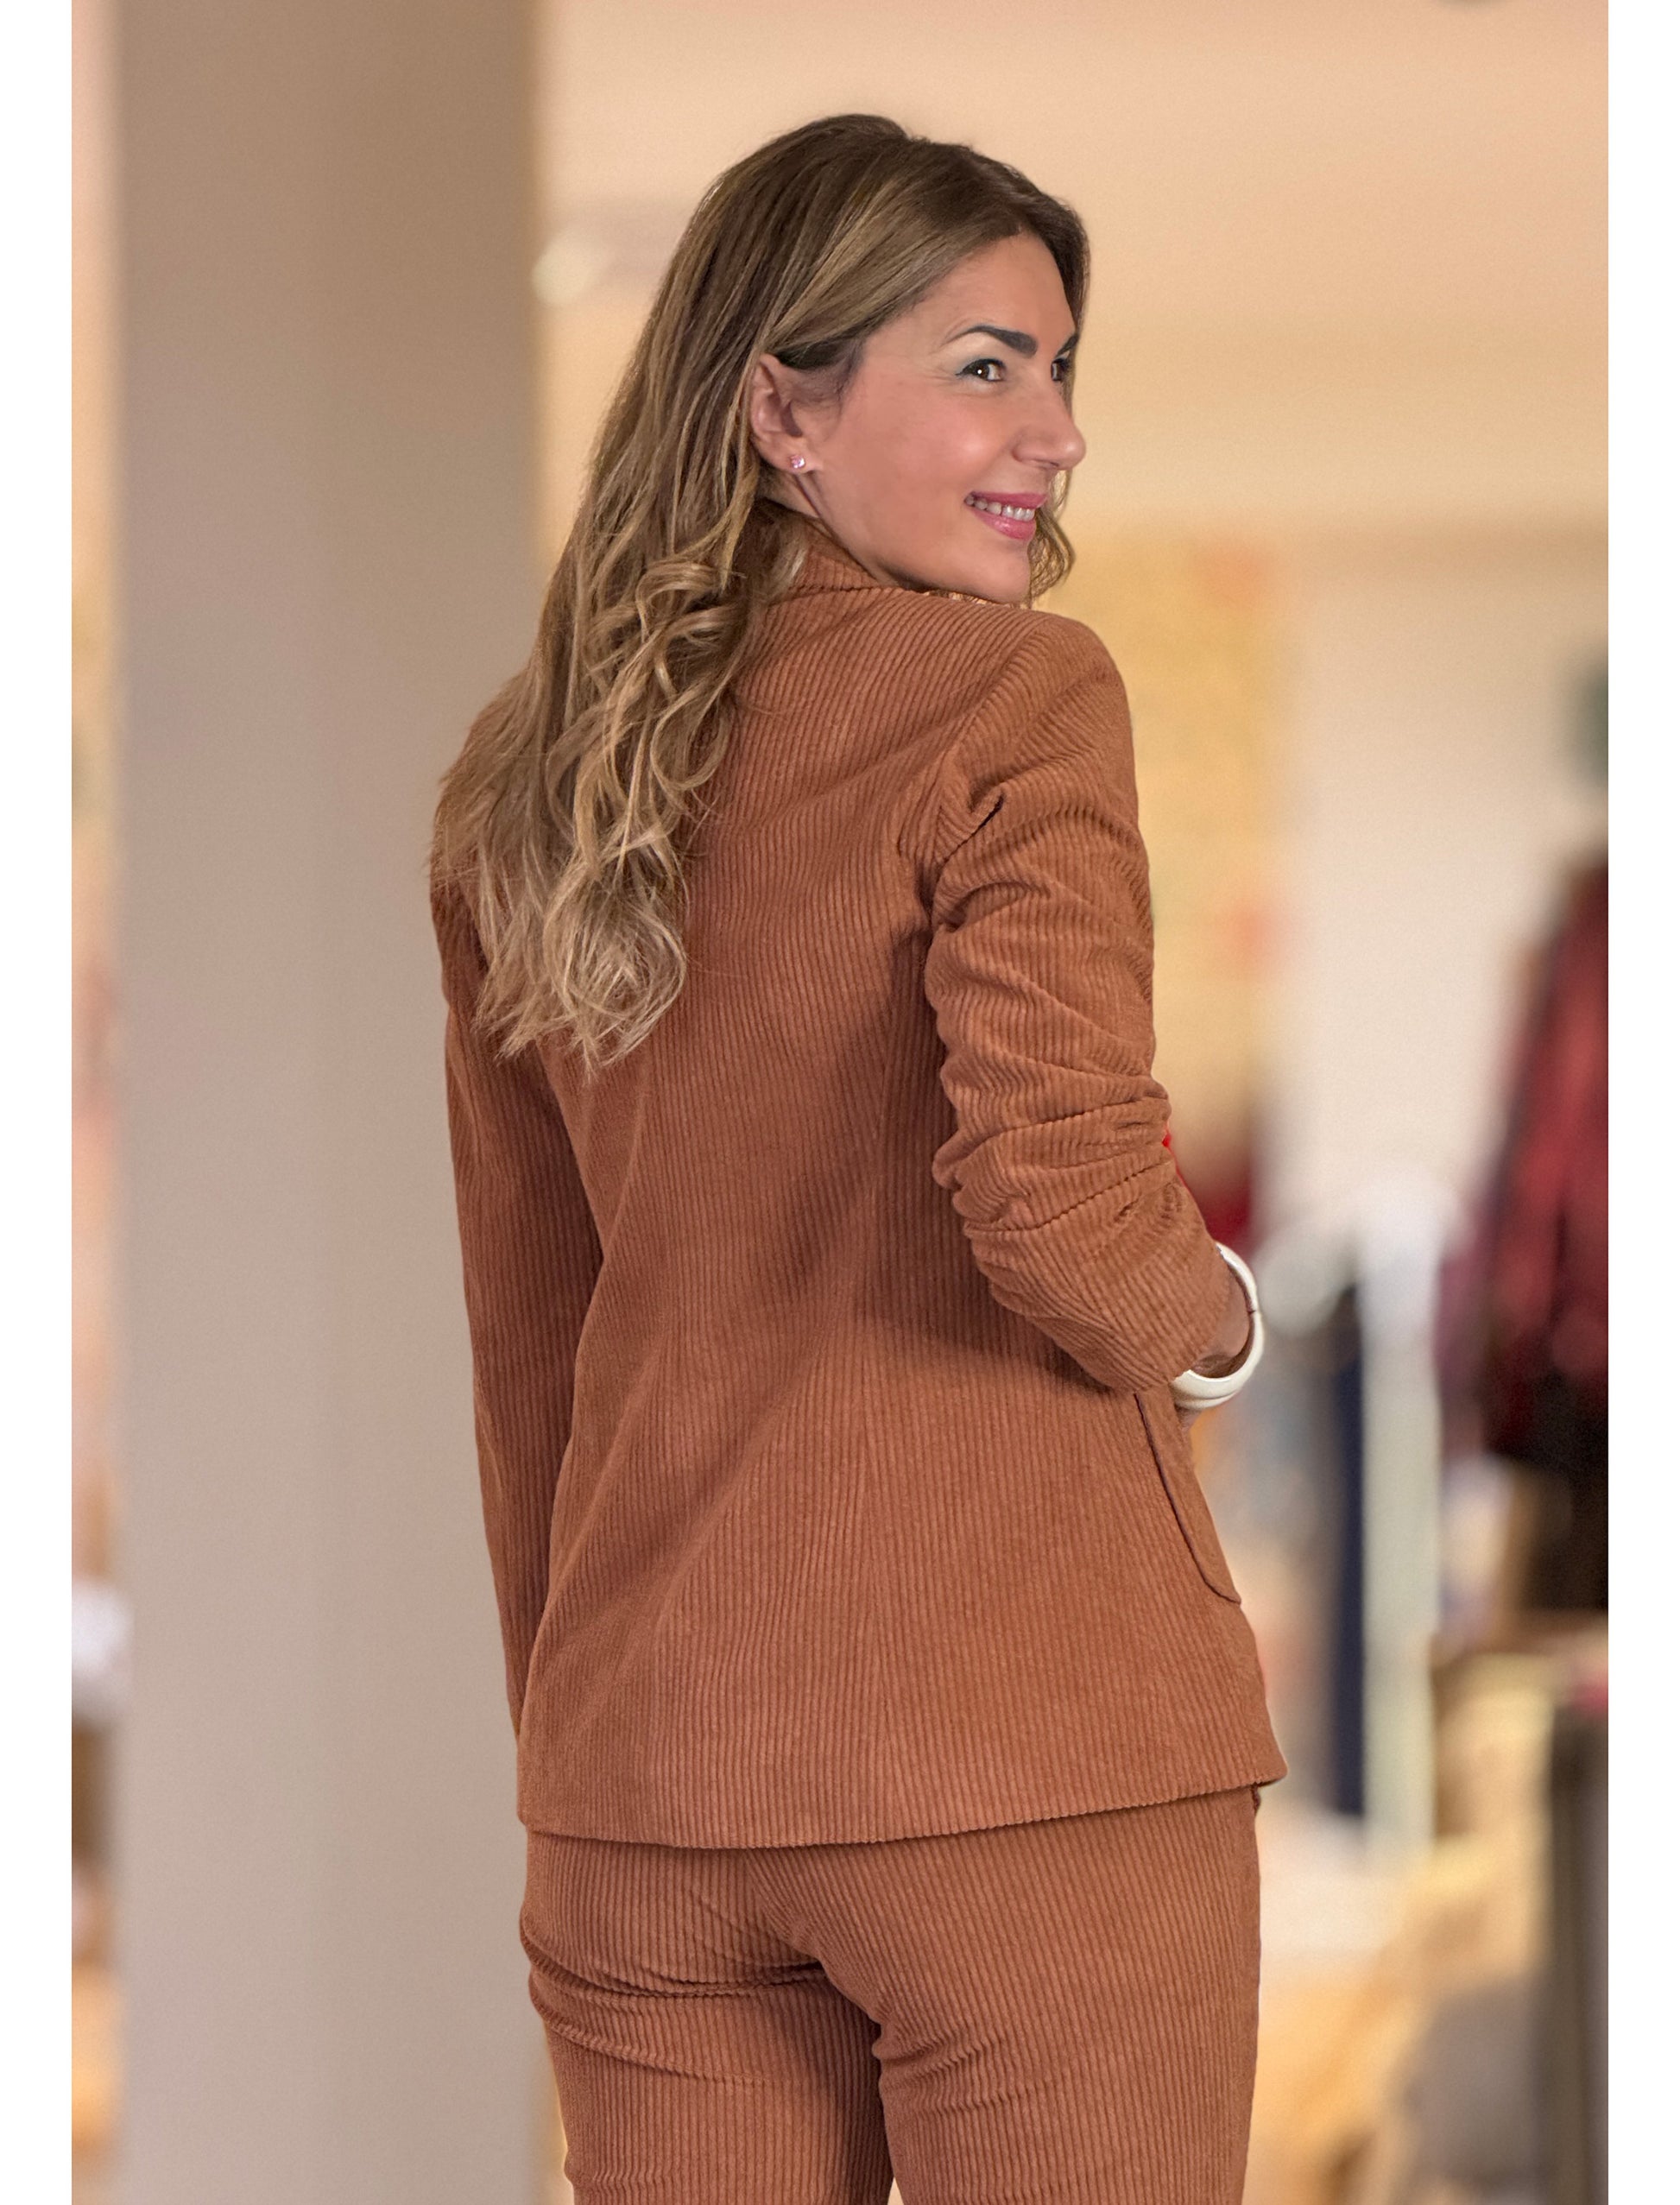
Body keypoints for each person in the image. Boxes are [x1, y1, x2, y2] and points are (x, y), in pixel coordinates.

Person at [429, 112, 1285, 2205]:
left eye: (1058, 369)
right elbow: (1063, 1202)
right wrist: (1221, 1322)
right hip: (1030, 1756)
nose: (1054, 431)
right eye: (986, 365)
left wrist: (590, 1730)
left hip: (646, 1781)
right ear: (781, 410)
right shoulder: (1014, 694)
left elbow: (530, 1324)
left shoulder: (523, 784)